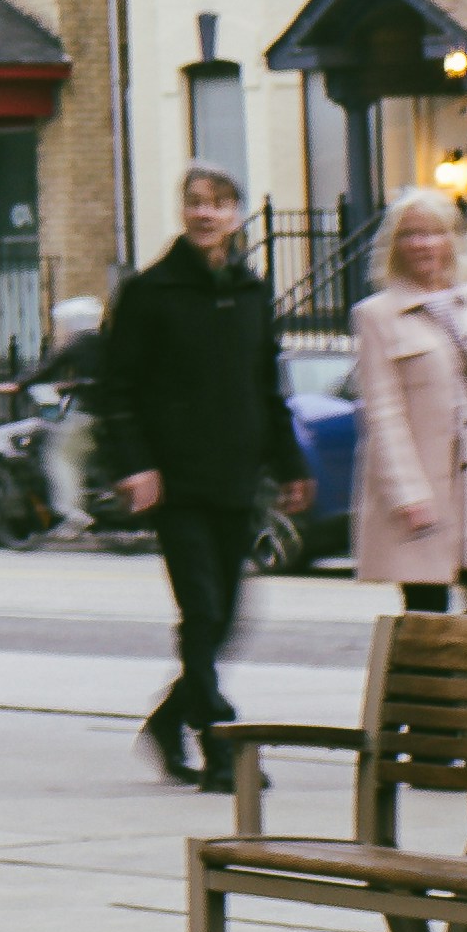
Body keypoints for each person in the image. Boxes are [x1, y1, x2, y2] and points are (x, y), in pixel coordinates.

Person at [92, 160, 307, 779]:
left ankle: (169, 716)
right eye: (194, 201)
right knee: (204, 610)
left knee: (231, 614)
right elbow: (117, 390)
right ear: (182, 211)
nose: (205, 213)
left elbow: (267, 384)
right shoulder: (149, 292)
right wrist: (135, 465)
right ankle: (219, 739)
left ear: (236, 215)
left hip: (237, 477)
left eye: (218, 203)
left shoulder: (251, 290)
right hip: (175, 480)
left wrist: (288, 462)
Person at [350, 189, 467, 614]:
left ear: (454, 239)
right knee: (426, 617)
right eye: (410, 235)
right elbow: (383, 414)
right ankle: (423, 684)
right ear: (393, 245)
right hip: (424, 488)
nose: (422, 244)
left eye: (434, 233)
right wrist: (407, 493)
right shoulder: (376, 315)